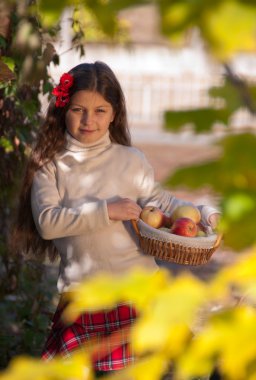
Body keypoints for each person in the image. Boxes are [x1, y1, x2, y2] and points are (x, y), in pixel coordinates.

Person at [11, 61, 220, 377]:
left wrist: (205, 212)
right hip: (85, 297)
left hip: (138, 291)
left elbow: (162, 203)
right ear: (63, 109)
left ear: (114, 113)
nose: (88, 120)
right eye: (79, 109)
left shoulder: (130, 160)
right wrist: (106, 211)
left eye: (100, 111)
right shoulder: (50, 165)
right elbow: (48, 221)